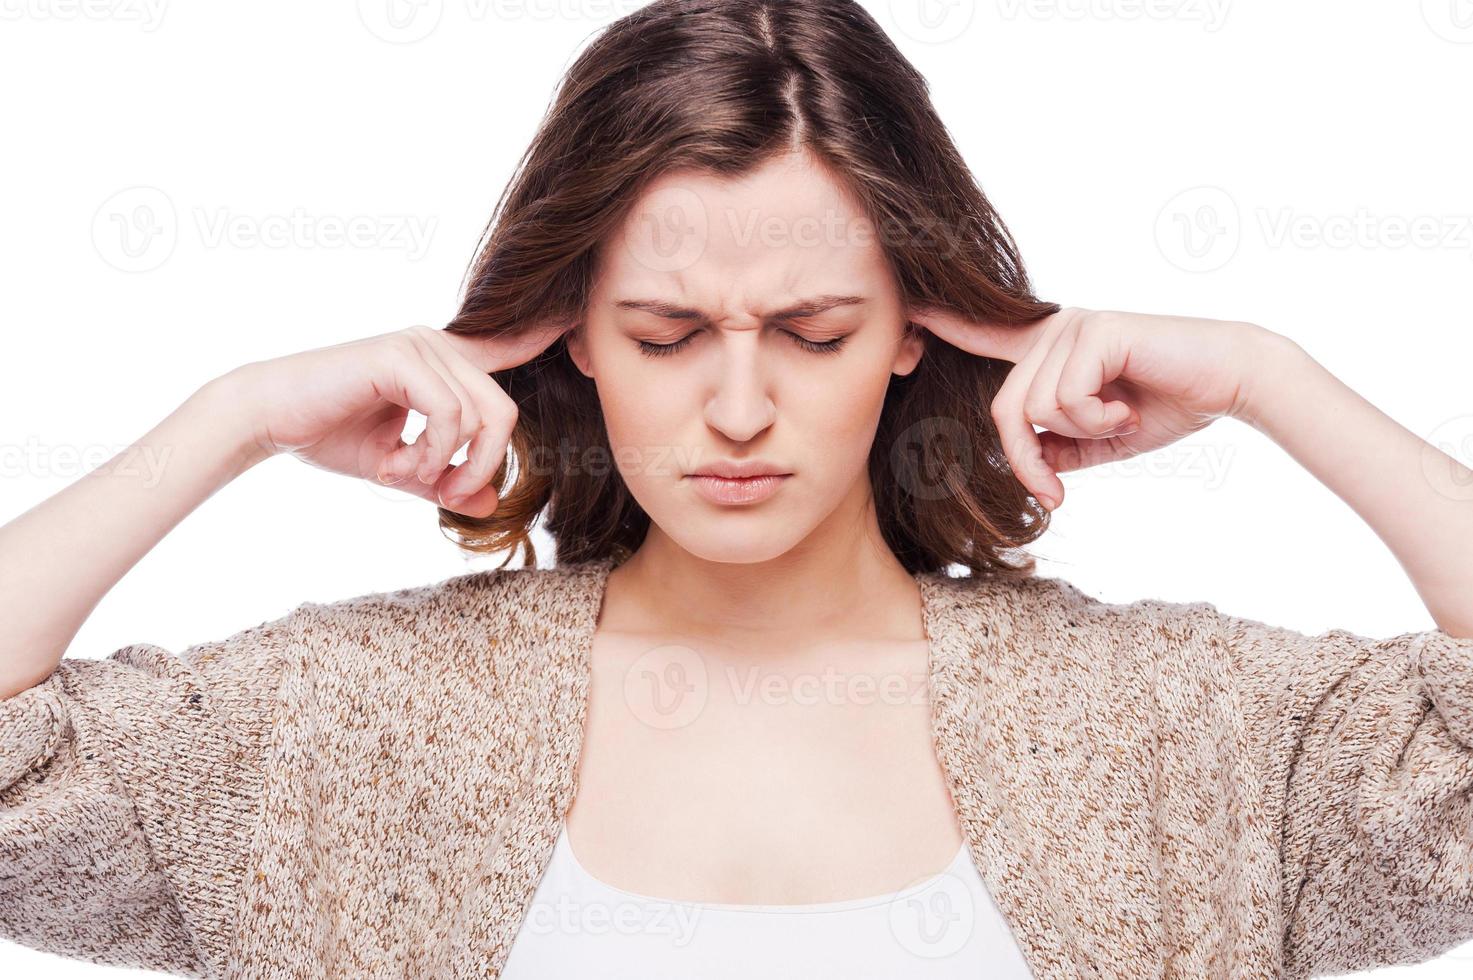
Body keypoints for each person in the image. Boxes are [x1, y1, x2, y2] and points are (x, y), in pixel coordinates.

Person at [4, 1, 1472, 977]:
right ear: (570, 329)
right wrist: (232, 418)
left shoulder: (1173, 723)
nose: (739, 406)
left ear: (915, 327)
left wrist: (1273, 380)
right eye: (664, 333)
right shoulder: (344, 719)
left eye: (813, 332)